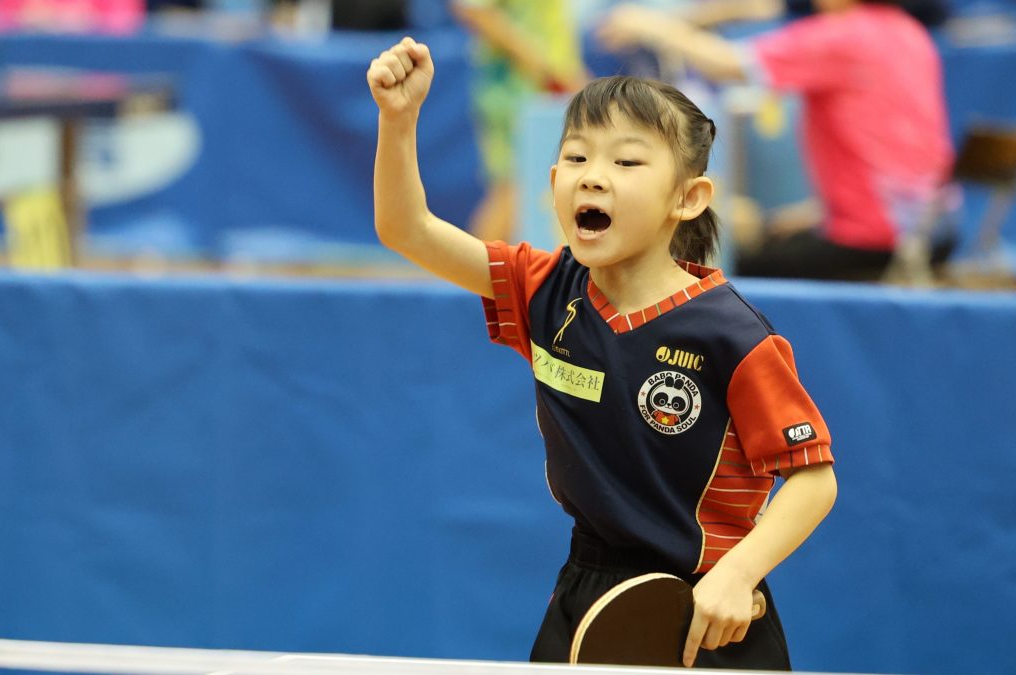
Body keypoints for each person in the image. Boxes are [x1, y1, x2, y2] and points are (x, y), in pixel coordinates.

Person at [368, 37, 838, 670]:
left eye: (627, 162)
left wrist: (738, 574)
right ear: (555, 182)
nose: (593, 174)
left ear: (688, 198)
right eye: (578, 156)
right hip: (587, 590)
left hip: (710, 606)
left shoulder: (733, 335)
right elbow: (407, 229)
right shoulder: (544, 287)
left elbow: (813, 477)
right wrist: (398, 120)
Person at [599, 0, 955, 282]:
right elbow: (905, 150)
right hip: (934, 231)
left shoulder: (842, 36)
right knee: (771, 238)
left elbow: (730, 64)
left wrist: (650, 25)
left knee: (718, 269)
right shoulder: (912, 34)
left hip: (878, 243)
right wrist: (821, 212)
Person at [450, 0, 588, 243]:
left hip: (547, 92)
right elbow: (473, 9)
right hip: (514, 95)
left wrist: (571, 79)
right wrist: (538, 64)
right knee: (512, 188)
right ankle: (471, 278)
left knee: (522, 187)